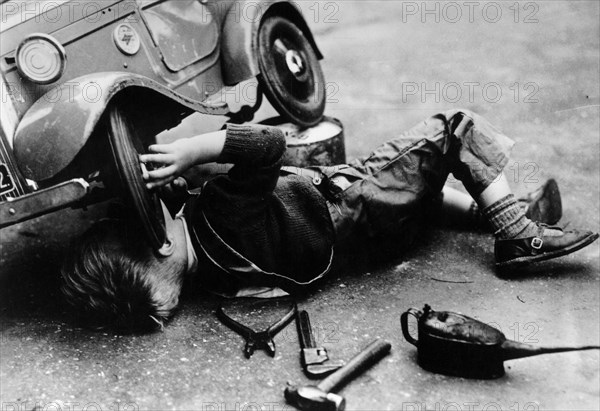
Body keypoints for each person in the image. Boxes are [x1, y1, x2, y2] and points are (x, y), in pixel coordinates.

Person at [61, 109, 598, 332]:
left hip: (361, 247)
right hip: (353, 202)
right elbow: (270, 144)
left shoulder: (216, 275)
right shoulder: (222, 214)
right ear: (160, 244)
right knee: (452, 131)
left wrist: (184, 185)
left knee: (424, 202)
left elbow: (195, 221)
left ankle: (499, 212)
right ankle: (514, 232)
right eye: (151, 216)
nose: (162, 202)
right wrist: (197, 150)